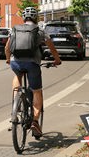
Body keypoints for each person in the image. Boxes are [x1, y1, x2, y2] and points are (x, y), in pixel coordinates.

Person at [4, 7, 61, 137]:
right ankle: (35, 122)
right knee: (36, 91)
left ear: (24, 18)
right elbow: (50, 45)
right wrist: (57, 59)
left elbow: (7, 47)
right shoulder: (39, 30)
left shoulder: (15, 29)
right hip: (32, 63)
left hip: (16, 62)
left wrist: (8, 59)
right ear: (36, 18)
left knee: (17, 75)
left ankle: (16, 105)